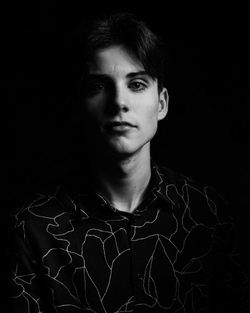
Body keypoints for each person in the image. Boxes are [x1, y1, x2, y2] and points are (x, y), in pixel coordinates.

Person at [7, 12, 249, 313]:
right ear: (77, 106)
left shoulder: (208, 216)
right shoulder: (33, 229)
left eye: (136, 84)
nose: (119, 102)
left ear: (161, 103)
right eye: (98, 86)